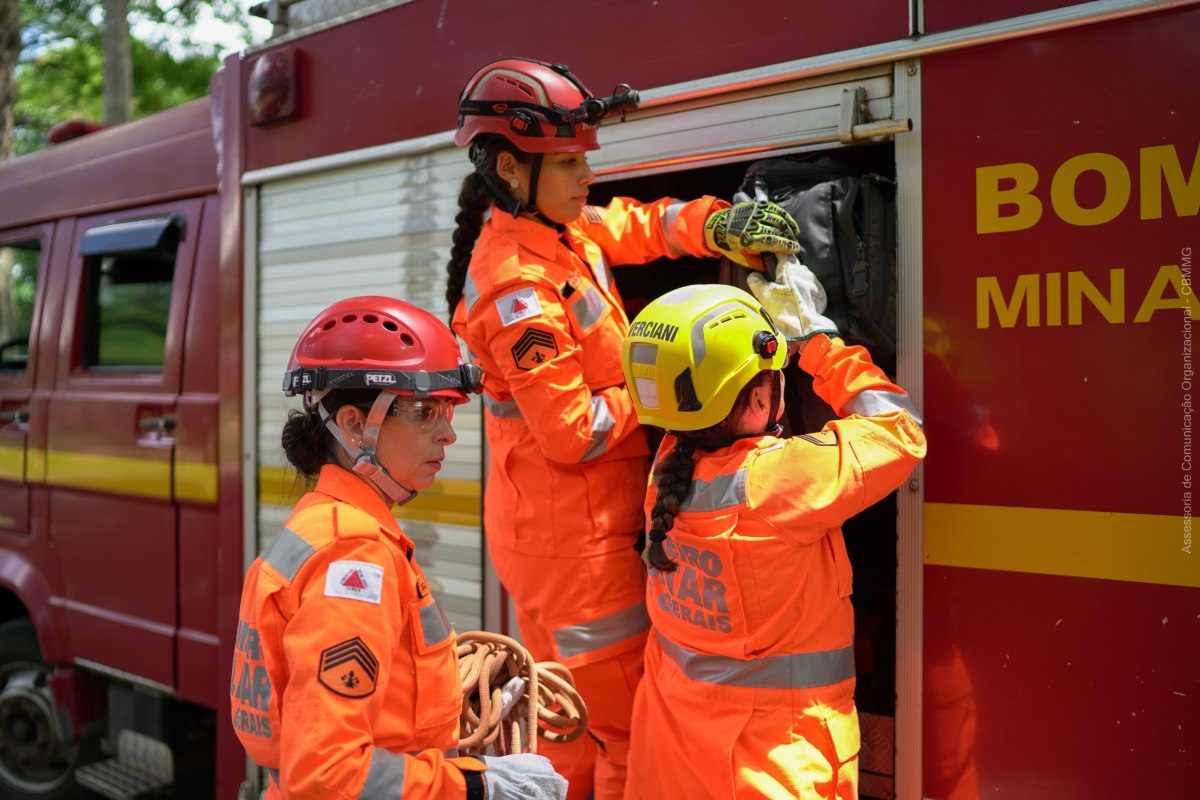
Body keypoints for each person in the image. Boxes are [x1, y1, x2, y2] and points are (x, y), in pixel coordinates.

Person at [445, 58, 804, 800]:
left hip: (563, 538)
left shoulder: (555, 231)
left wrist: (716, 225)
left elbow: (638, 225)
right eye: (569, 162)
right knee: (627, 734)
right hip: (577, 556)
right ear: (511, 168)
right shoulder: (516, 284)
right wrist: (673, 387)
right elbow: (572, 431)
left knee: (570, 731)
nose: (588, 175)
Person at [230, 296, 568, 800]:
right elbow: (327, 774)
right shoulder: (352, 556)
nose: (448, 434)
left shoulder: (327, 526)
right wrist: (477, 785)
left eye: (447, 411)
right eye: (424, 412)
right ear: (353, 425)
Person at [619, 273, 926, 799]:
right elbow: (901, 429)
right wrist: (820, 344)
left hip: (671, 756)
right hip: (770, 768)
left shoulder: (667, 466)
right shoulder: (778, 481)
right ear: (760, 401)